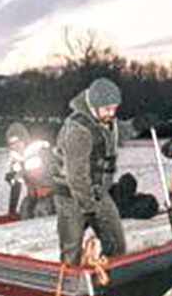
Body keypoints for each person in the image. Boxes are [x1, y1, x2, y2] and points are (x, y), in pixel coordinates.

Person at [51, 78, 127, 265]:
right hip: (71, 196)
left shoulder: (107, 120)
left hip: (98, 192)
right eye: (107, 109)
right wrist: (90, 210)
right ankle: (72, 289)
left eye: (114, 108)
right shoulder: (78, 130)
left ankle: (108, 281)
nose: (112, 113)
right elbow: (76, 176)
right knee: (71, 251)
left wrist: (137, 124)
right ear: (94, 106)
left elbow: (118, 133)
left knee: (117, 244)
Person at [4, 122, 55, 219]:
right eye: (11, 144)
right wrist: (11, 211)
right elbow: (16, 188)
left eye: (17, 142)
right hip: (33, 196)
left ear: (24, 140)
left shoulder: (41, 151)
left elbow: (50, 178)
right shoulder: (16, 160)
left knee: (41, 209)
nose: (15, 146)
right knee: (25, 209)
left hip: (52, 196)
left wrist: (25, 172)